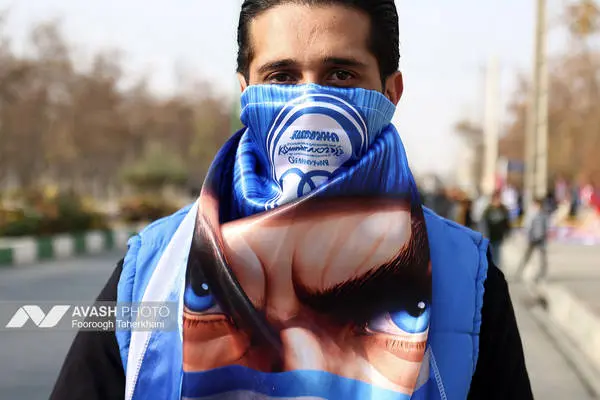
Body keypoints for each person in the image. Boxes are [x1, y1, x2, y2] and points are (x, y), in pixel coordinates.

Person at [51, 1, 533, 399]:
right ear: (245, 91)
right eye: (281, 76)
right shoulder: (152, 271)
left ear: (391, 91)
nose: (309, 103)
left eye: (340, 74)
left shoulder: (468, 280)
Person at [515, 198, 549, 283]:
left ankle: (541, 274)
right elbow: (527, 226)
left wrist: (545, 237)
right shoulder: (531, 214)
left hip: (541, 239)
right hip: (532, 239)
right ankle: (519, 272)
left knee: (542, 258)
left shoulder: (543, 214)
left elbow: (546, 227)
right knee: (527, 256)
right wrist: (528, 237)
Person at [482, 191, 511, 269]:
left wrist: (507, 232)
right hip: (490, 236)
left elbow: (507, 222)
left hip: (499, 236)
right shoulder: (488, 210)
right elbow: (483, 223)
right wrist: (484, 234)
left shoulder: (503, 209)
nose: (497, 201)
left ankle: (495, 269)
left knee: (497, 254)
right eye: (495, 199)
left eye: (498, 199)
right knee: (491, 254)